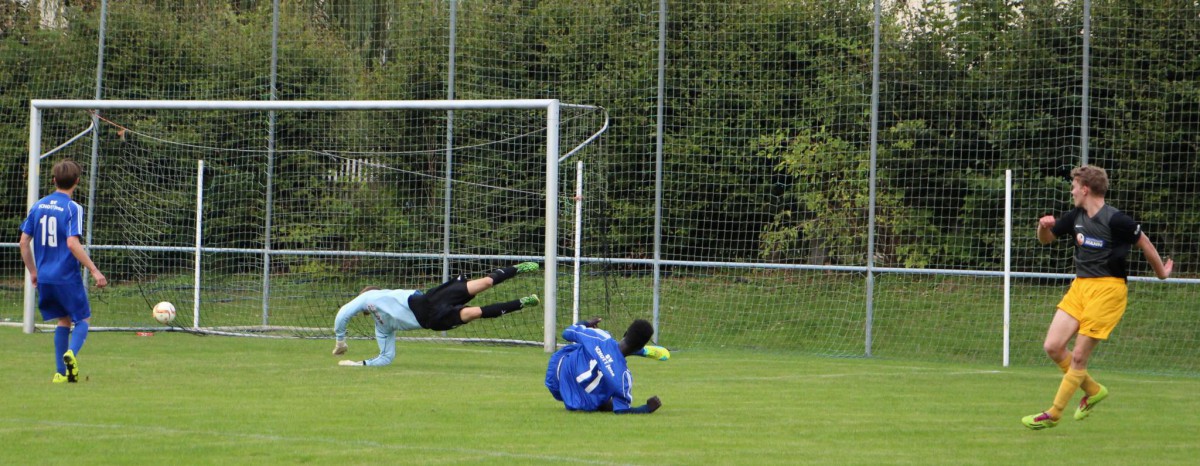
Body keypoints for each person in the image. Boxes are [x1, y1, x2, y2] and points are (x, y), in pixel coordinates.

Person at [1022, 165, 1173, 430]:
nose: (1071, 191)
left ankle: (1054, 413)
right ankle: (1093, 391)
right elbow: (1046, 240)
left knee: (1079, 357)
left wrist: (1162, 274)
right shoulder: (1075, 216)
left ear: (1085, 189)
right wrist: (1043, 227)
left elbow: (1146, 245)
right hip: (1080, 287)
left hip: (1108, 291)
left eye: (1074, 186)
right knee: (1053, 347)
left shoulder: (1117, 220)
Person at [332, 262, 541, 366]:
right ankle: (522, 303)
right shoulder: (382, 327)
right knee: (475, 313)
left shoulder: (371, 297)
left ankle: (518, 268)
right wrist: (357, 365)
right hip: (432, 320)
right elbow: (386, 357)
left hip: (428, 300)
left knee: (484, 283)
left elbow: (343, 314)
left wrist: (341, 342)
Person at [19, 159, 108, 384]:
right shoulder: (72, 207)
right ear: (77, 182)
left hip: (45, 276)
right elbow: (71, 243)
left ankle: (61, 373)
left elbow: (23, 242)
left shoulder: (38, 205)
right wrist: (95, 270)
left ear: (54, 180)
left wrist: (32, 271)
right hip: (66, 276)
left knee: (63, 320)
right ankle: (71, 353)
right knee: (83, 318)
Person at [544, 317, 667, 414]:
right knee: (609, 400)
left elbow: (567, 332)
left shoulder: (600, 336)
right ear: (641, 345)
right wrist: (647, 408)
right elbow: (622, 411)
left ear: (625, 333)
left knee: (583, 345)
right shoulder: (624, 376)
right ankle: (636, 351)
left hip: (555, 376)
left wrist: (586, 324)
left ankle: (616, 352)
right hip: (577, 403)